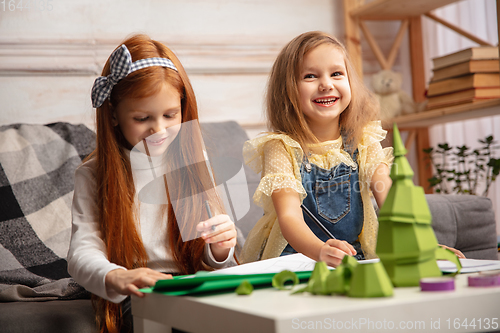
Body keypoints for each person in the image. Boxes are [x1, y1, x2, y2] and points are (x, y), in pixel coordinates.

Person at [240, 31, 464, 268]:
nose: (326, 84)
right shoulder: (281, 146)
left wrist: (421, 244)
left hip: (353, 255)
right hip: (296, 257)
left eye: (336, 73)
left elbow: (390, 201)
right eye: (310, 76)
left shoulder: (363, 139)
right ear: (287, 90)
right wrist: (320, 251)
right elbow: (289, 217)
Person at [67, 34, 237, 333]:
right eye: (143, 117)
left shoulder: (194, 160)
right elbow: (82, 252)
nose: (159, 129)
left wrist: (220, 248)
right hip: (136, 290)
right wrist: (117, 277)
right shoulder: (93, 174)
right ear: (115, 115)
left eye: (170, 115)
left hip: (190, 282)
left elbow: (212, 257)